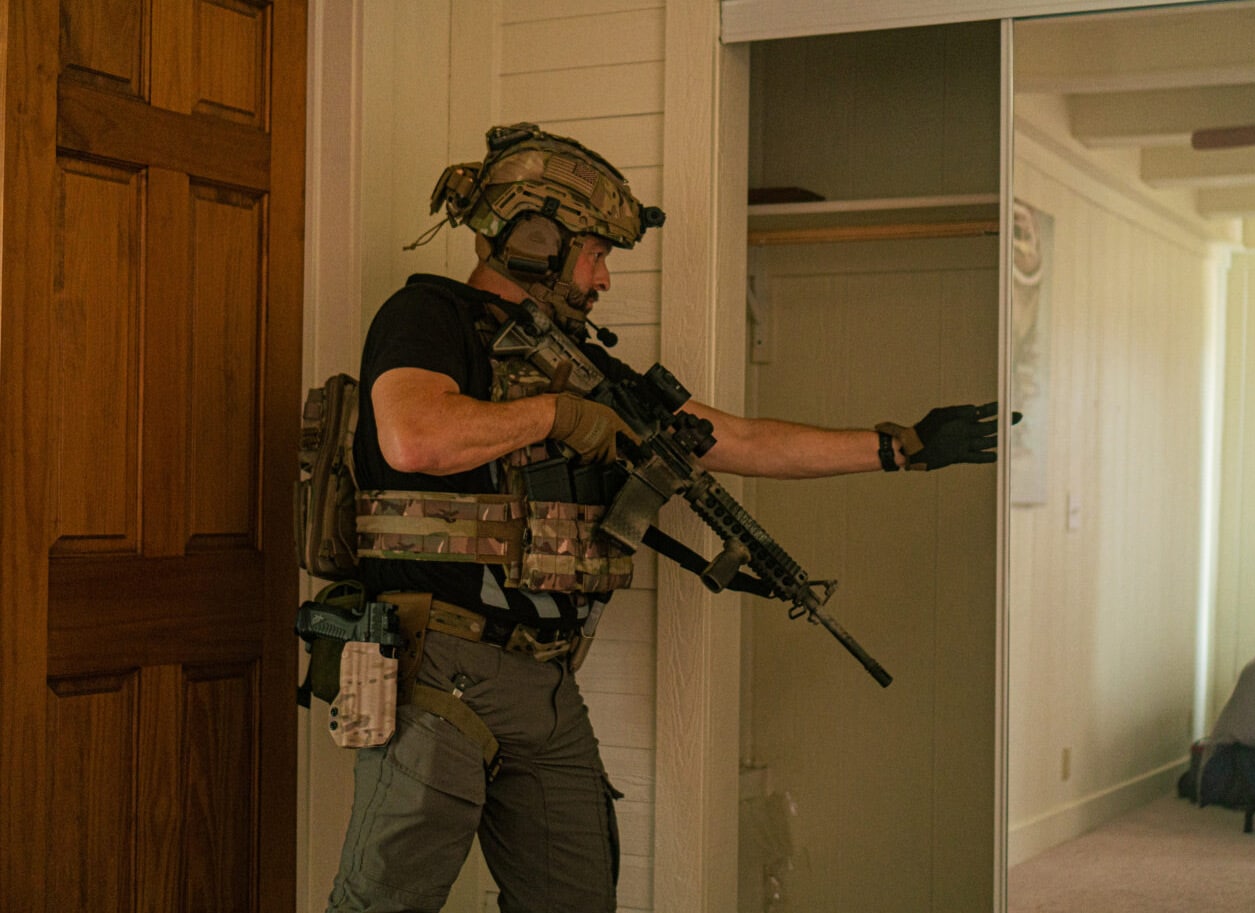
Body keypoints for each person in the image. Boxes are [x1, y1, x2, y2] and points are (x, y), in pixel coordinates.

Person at [326, 123, 1008, 913]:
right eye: (597, 254)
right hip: (441, 664)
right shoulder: (428, 315)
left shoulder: (587, 365)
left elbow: (739, 439)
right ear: (539, 240)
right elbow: (414, 436)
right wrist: (557, 414)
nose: (605, 279)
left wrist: (900, 448)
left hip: (548, 680)